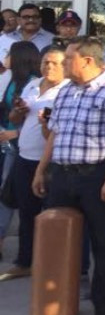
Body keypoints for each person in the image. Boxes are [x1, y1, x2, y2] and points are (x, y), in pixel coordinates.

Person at [32, 37, 105, 315]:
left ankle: (104, 305)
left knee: (103, 242)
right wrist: (42, 170)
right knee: (57, 238)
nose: (63, 64)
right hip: (62, 175)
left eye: (68, 59)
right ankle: (56, 302)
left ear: (87, 61)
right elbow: (54, 133)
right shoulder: (64, 92)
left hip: (96, 175)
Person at [0, 47, 68, 280]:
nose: (48, 67)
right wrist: (19, 110)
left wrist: (45, 123)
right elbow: (14, 119)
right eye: (45, 62)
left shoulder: (66, 91)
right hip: (24, 156)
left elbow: (55, 132)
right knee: (27, 213)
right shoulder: (32, 84)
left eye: (54, 63)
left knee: (51, 214)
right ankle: (25, 261)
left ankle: (51, 266)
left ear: (65, 66)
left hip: (51, 161)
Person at [0, 42, 42, 255]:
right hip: (7, 143)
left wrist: (13, 133)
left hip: (20, 146)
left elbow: (36, 121)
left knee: (8, 195)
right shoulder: (12, 79)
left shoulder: (34, 83)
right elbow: (9, 111)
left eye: (9, 53)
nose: (5, 56)